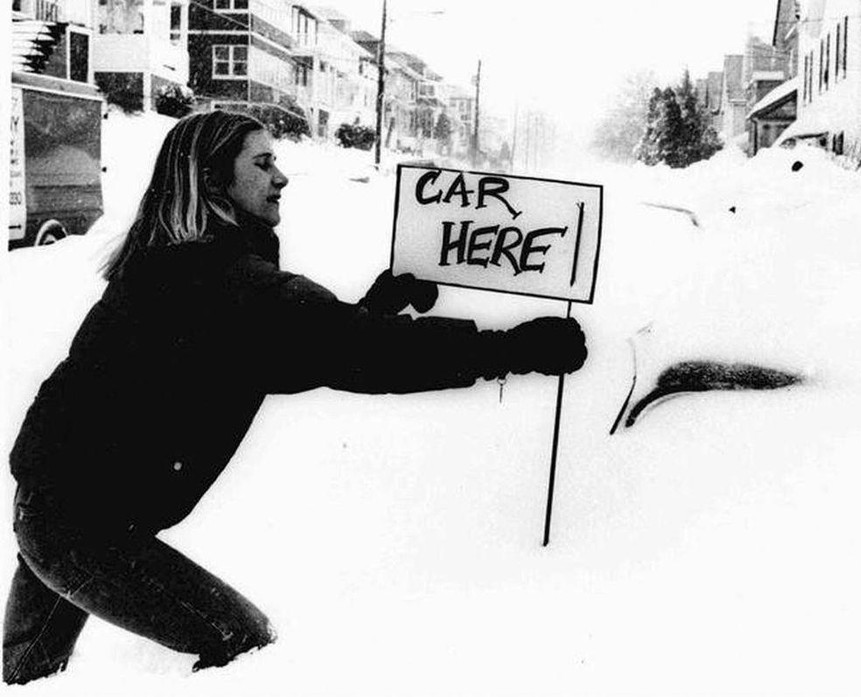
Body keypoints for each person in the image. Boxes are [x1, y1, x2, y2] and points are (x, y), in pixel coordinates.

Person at [3, 110, 587, 684]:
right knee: (241, 641)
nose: (280, 176)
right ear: (213, 182)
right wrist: (511, 350)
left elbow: (282, 351)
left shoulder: (185, 267)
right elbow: (347, 350)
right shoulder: (218, 278)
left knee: (24, 674)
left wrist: (369, 312)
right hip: (79, 524)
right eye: (262, 163)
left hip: (62, 506)